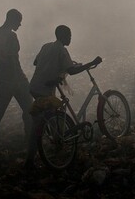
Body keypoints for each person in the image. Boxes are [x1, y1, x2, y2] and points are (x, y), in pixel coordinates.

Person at [24, 25, 102, 169]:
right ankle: (54, 150)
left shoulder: (46, 46)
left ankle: (34, 157)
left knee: (42, 122)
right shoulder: (62, 50)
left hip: (35, 87)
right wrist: (91, 63)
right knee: (46, 122)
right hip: (45, 89)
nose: (70, 38)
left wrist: (53, 66)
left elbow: (36, 62)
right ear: (63, 36)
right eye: (69, 35)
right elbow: (72, 71)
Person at [0, 9, 33, 149]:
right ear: (12, 20)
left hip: (2, 76)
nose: (20, 25)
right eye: (18, 22)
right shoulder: (12, 36)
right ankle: (31, 138)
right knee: (29, 108)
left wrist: (3, 69)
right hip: (15, 77)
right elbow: (13, 59)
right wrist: (18, 78)